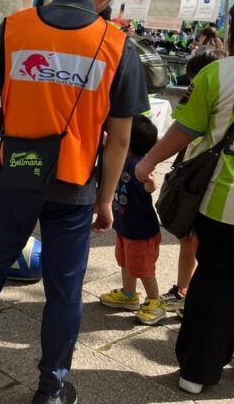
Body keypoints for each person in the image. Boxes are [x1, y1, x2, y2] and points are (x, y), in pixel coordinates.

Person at [0, 0, 148, 404]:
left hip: (11, 176)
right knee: (64, 292)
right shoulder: (118, 46)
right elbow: (120, 137)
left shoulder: (15, 28)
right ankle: (51, 389)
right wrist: (105, 200)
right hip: (75, 187)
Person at [135, 55, 234, 395]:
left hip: (224, 203)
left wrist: (149, 160)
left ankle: (197, 370)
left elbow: (187, 127)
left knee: (214, 280)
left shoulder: (219, 74)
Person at [160, 47, 226, 312]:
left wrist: (149, 161)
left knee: (191, 242)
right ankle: (187, 290)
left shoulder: (207, 90)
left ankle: (185, 290)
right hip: (210, 186)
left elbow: (182, 132)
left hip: (200, 186)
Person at [99, 115, 163, 325]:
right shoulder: (121, 156)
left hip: (141, 231)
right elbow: (106, 137)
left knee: (143, 268)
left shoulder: (140, 165)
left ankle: (155, 302)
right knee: (125, 262)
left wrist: (150, 184)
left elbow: (149, 187)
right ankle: (129, 295)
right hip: (125, 227)